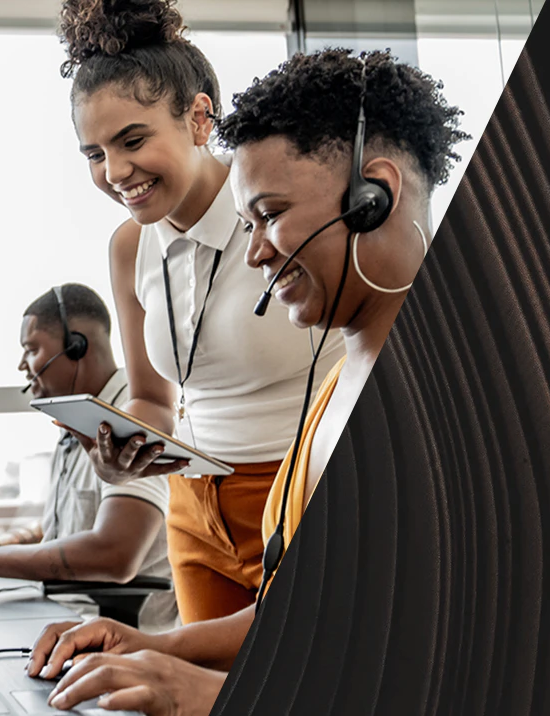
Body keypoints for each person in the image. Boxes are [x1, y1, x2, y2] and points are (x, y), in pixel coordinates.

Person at [24, 49, 467, 715]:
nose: (254, 249)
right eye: (248, 221)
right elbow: (295, 623)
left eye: (269, 214)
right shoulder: (335, 391)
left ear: (371, 199)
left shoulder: (446, 410)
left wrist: (210, 696)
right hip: (200, 509)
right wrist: (153, 645)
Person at [56, 0, 346, 624]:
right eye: (94, 153)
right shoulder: (130, 246)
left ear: (197, 118)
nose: (115, 172)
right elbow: (154, 400)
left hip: (296, 492)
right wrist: (118, 450)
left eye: (132, 140)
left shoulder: (276, 217)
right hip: (193, 510)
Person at [0, 284, 178, 630]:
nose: (23, 365)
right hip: (61, 615)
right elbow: (57, 531)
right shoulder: (76, 423)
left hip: (111, 635)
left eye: (32, 349)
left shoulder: (130, 420)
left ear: (75, 345)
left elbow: (115, 553)